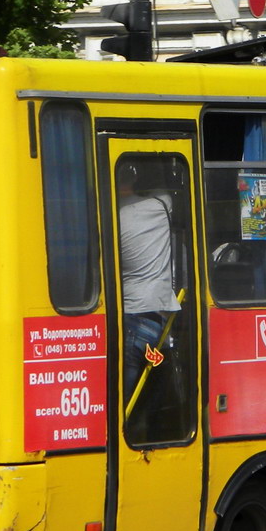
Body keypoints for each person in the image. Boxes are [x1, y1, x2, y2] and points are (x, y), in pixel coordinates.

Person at [118, 162, 181, 399]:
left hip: (128, 318)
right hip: (155, 323)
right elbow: (162, 180)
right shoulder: (161, 205)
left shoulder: (110, 214)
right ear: (135, 180)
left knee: (125, 403)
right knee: (154, 399)